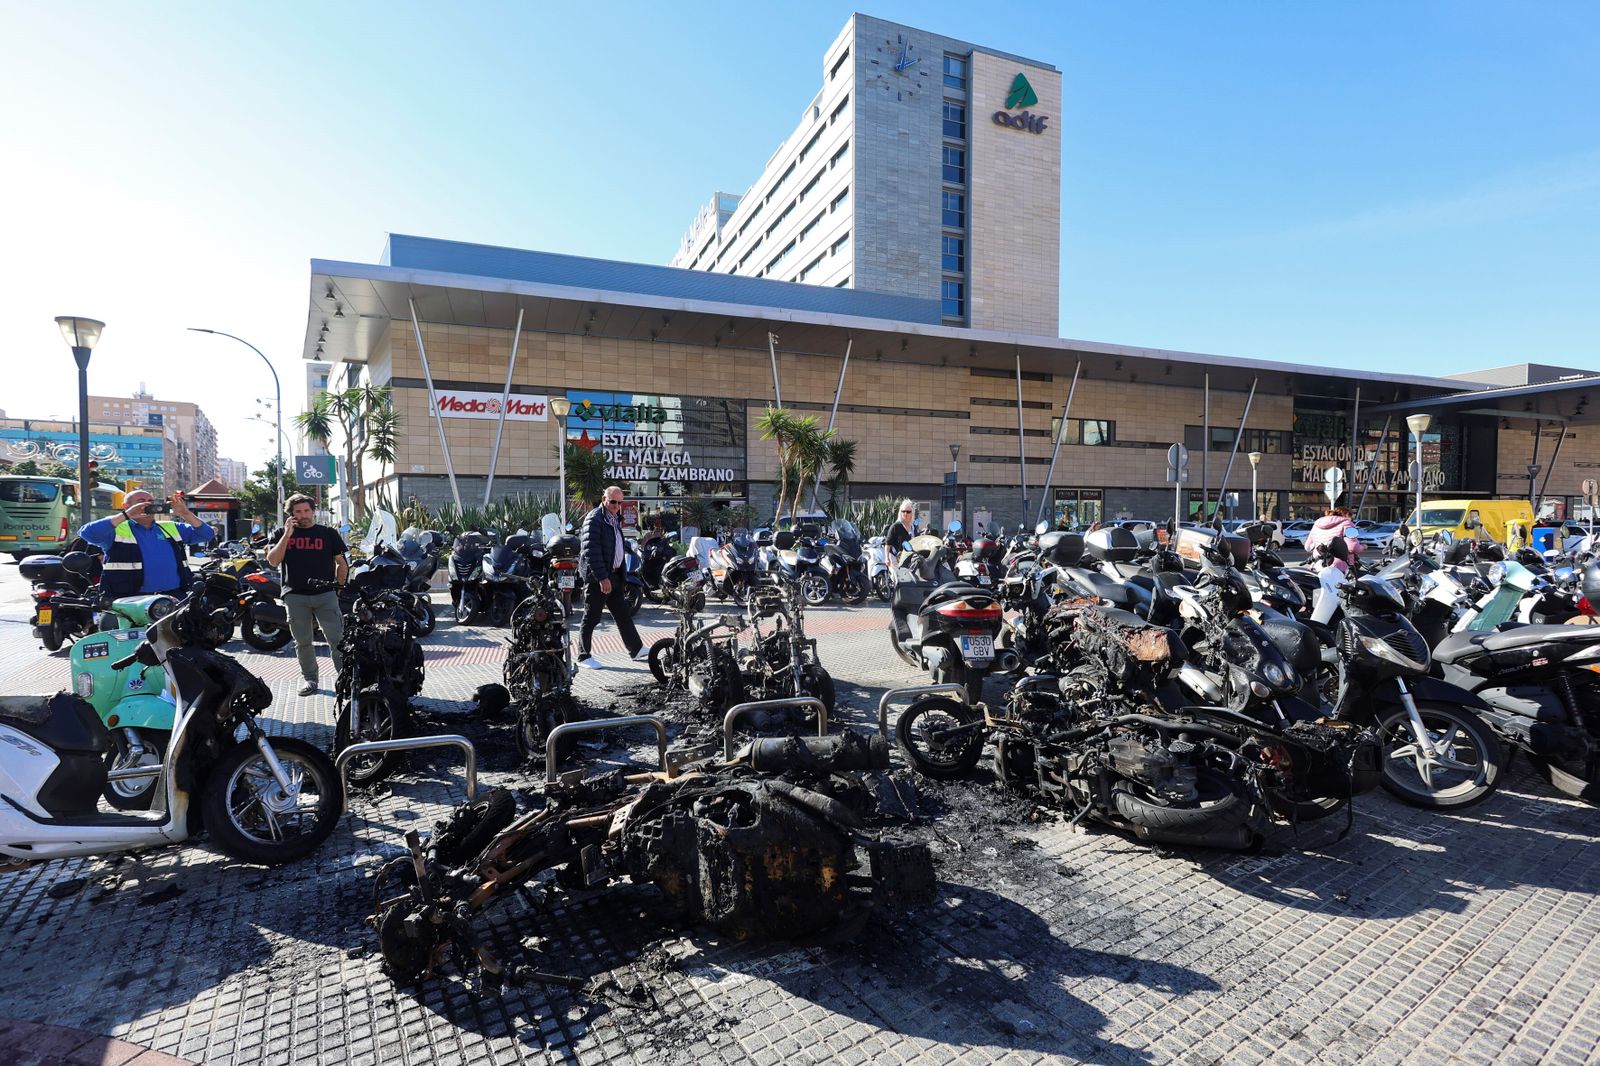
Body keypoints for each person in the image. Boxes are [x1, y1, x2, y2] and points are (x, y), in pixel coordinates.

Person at [267, 493, 349, 696]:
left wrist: (338, 588)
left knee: (337, 639)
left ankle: (345, 680)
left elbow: (341, 563)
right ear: (291, 514)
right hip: (295, 595)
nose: (303, 515)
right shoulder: (281, 533)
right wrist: (287, 535)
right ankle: (310, 680)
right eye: (298, 512)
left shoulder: (328, 533)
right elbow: (273, 560)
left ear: (313, 511)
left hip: (325, 594)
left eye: (306, 511)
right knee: (302, 642)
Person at [79, 490, 215, 600]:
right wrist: (126, 515)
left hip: (173, 596)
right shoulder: (116, 528)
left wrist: (186, 513)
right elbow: (87, 533)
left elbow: (207, 535)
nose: (147, 504)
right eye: (141, 501)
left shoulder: (170, 527)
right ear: (126, 506)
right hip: (129, 599)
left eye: (150, 501)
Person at [577, 485, 646, 668]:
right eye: (613, 502)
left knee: (623, 614)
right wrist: (602, 578)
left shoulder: (614, 518)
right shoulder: (594, 519)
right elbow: (591, 551)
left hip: (614, 575)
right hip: (598, 578)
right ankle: (583, 656)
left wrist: (619, 575)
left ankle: (636, 649)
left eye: (620, 502)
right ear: (604, 499)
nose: (616, 506)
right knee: (591, 617)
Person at [1304, 506, 1363, 624]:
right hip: (1339, 567)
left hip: (1318, 566)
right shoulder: (1348, 524)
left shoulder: (1317, 524)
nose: (1351, 519)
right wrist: (1363, 547)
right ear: (1346, 515)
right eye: (1350, 516)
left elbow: (1307, 546)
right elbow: (1353, 547)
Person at [885, 499, 918, 564]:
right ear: (900, 512)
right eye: (903, 511)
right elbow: (887, 544)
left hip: (909, 559)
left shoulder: (913, 527)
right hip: (895, 558)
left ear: (912, 513)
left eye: (908, 512)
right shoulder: (895, 526)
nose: (905, 513)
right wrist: (887, 558)